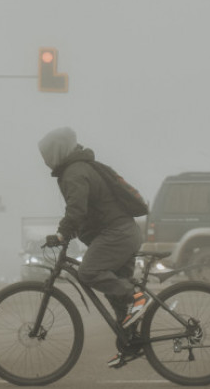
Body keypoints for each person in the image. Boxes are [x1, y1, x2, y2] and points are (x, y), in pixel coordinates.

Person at [38, 127, 149, 367]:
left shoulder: (74, 171)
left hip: (117, 234)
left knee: (88, 273)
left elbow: (77, 209)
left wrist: (62, 233)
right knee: (115, 292)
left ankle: (137, 297)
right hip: (124, 233)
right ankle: (131, 343)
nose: (45, 160)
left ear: (56, 152)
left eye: (46, 154)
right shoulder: (79, 167)